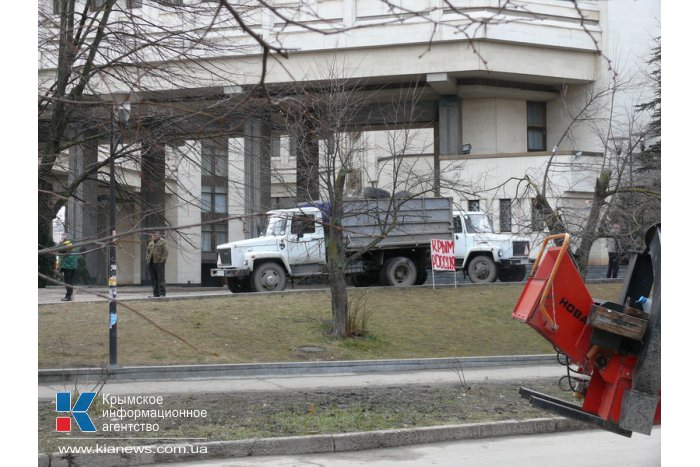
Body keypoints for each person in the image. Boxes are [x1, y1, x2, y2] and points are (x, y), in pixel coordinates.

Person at [146, 231, 169, 297]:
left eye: (155, 235)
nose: (153, 237)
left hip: (159, 263)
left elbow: (166, 252)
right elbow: (148, 252)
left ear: (158, 235)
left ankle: (162, 293)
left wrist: (162, 261)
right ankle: (156, 294)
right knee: (154, 279)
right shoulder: (151, 242)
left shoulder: (163, 242)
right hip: (151, 263)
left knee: (160, 279)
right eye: (152, 235)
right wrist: (147, 259)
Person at [58, 233, 78, 301]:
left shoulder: (65, 243)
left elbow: (60, 250)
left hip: (67, 265)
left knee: (67, 282)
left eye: (62, 237)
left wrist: (61, 242)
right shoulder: (73, 243)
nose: (61, 238)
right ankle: (70, 296)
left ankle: (68, 296)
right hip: (72, 265)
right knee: (70, 281)